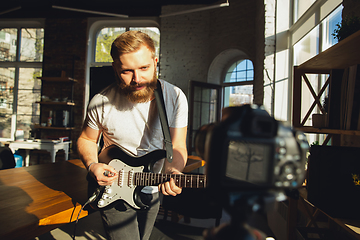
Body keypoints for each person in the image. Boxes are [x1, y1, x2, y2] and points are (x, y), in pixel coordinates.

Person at [77, 30, 188, 240]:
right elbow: (86, 139)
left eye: (144, 68)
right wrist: (92, 165)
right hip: (114, 189)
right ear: (115, 68)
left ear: (155, 61)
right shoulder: (101, 101)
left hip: (152, 188)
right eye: (127, 71)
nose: (137, 79)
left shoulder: (175, 97)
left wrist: (173, 169)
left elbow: (178, 145)